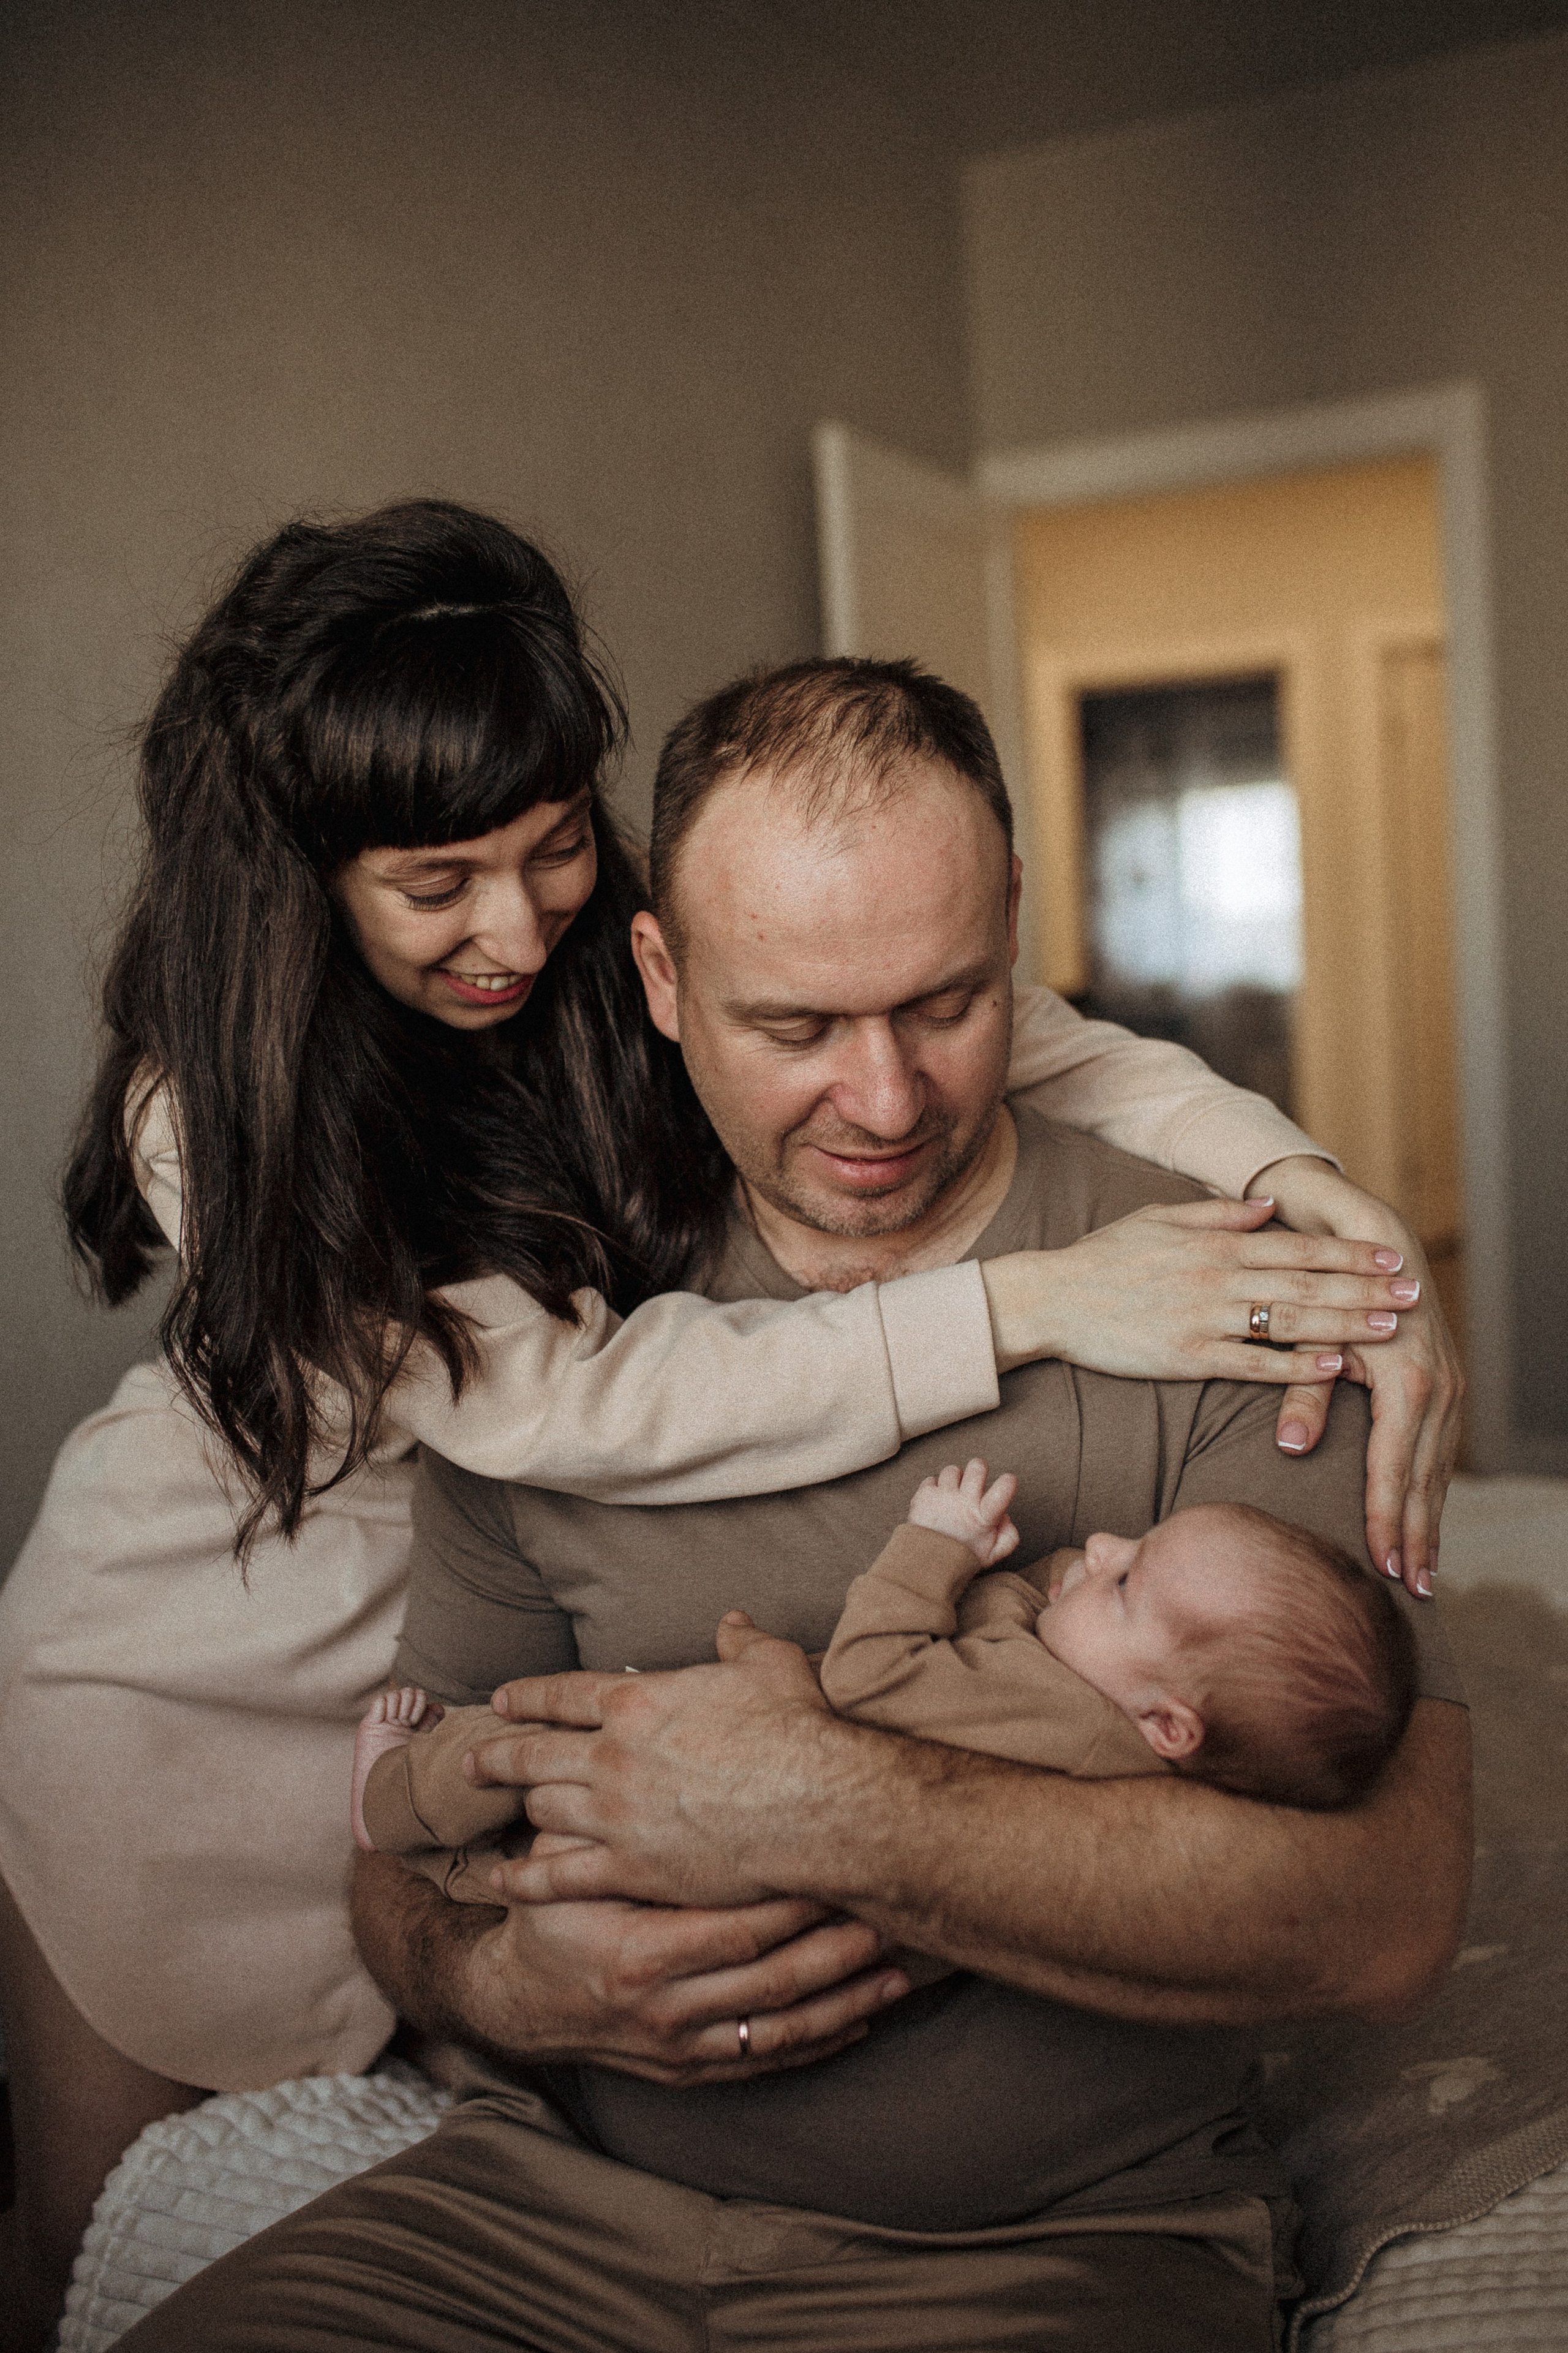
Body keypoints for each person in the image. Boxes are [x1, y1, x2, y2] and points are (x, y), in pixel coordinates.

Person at [0, 523, 1447, 2348]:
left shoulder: (1210, 1284)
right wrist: (509, 1987)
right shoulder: (238, 1125)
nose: (516, 926)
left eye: (550, 853)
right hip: (186, 1615)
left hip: (1015, 2245)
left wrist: (1318, 1191)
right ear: (682, 984)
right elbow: (538, 1440)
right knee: (76, 2228)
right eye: (441, 879)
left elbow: (1377, 1919)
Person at [351, 1462, 1415, 1901]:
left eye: (1128, 1578)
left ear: (1170, 1724)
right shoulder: (1111, 1732)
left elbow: (872, 1675)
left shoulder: (1053, 1711)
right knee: (547, 1844)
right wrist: (1058, 1589)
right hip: (737, 1814)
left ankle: (385, 1802)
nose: (1098, 1542)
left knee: (496, 1752)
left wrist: (937, 1545)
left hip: (720, 1798)